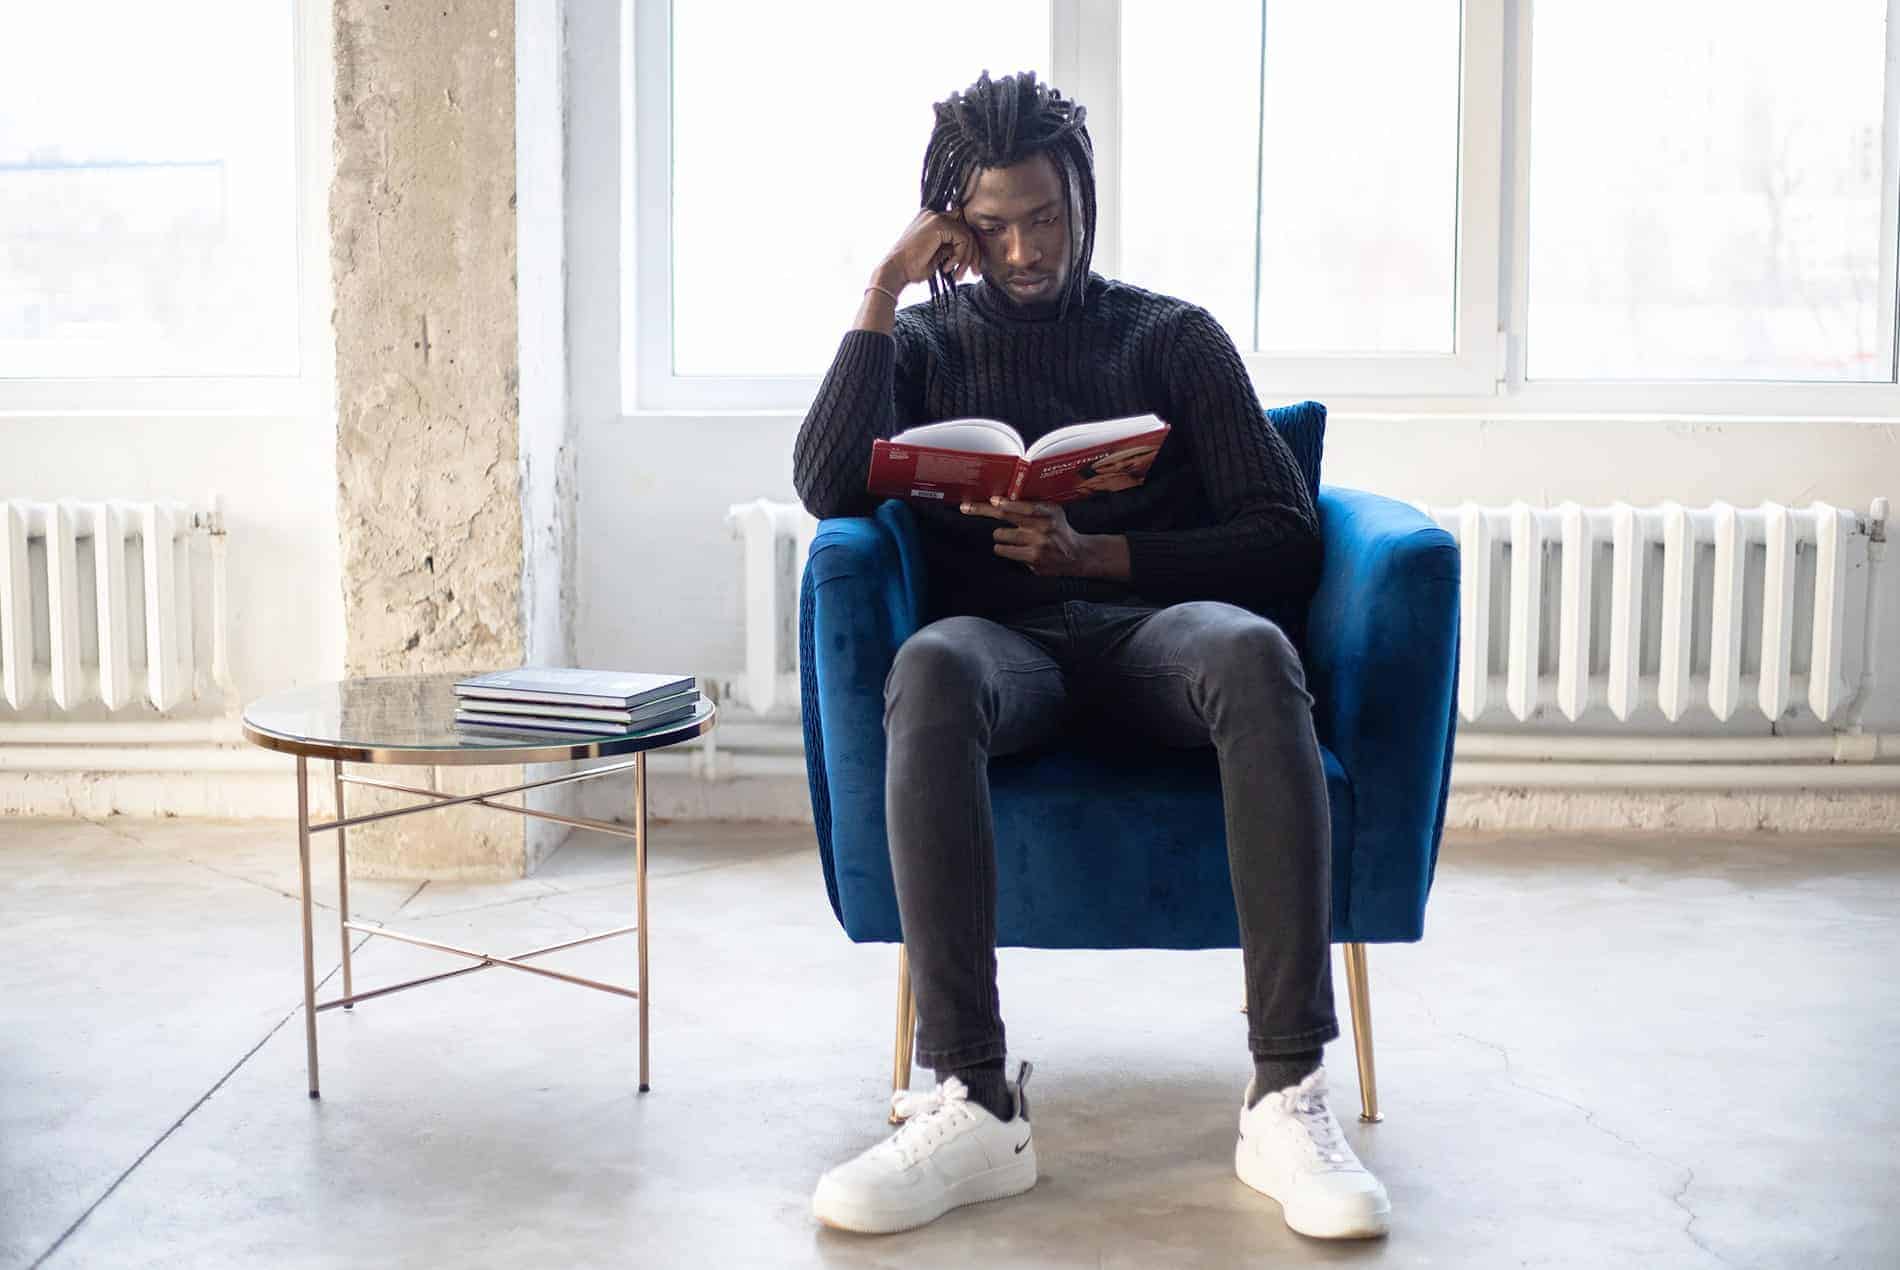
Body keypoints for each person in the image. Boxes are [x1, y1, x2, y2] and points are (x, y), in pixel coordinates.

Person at [791, 69, 1389, 1241]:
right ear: (954, 225)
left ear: (1084, 200)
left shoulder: (1170, 335)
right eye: (993, 225)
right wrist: (882, 286)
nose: (1024, 251)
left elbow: (1284, 533)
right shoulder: (923, 343)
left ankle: (1286, 1094)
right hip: (1003, 652)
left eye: (1047, 218)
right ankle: (972, 1099)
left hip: (1153, 634)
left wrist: (1095, 553)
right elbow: (822, 483)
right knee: (929, 667)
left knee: (1254, 651)